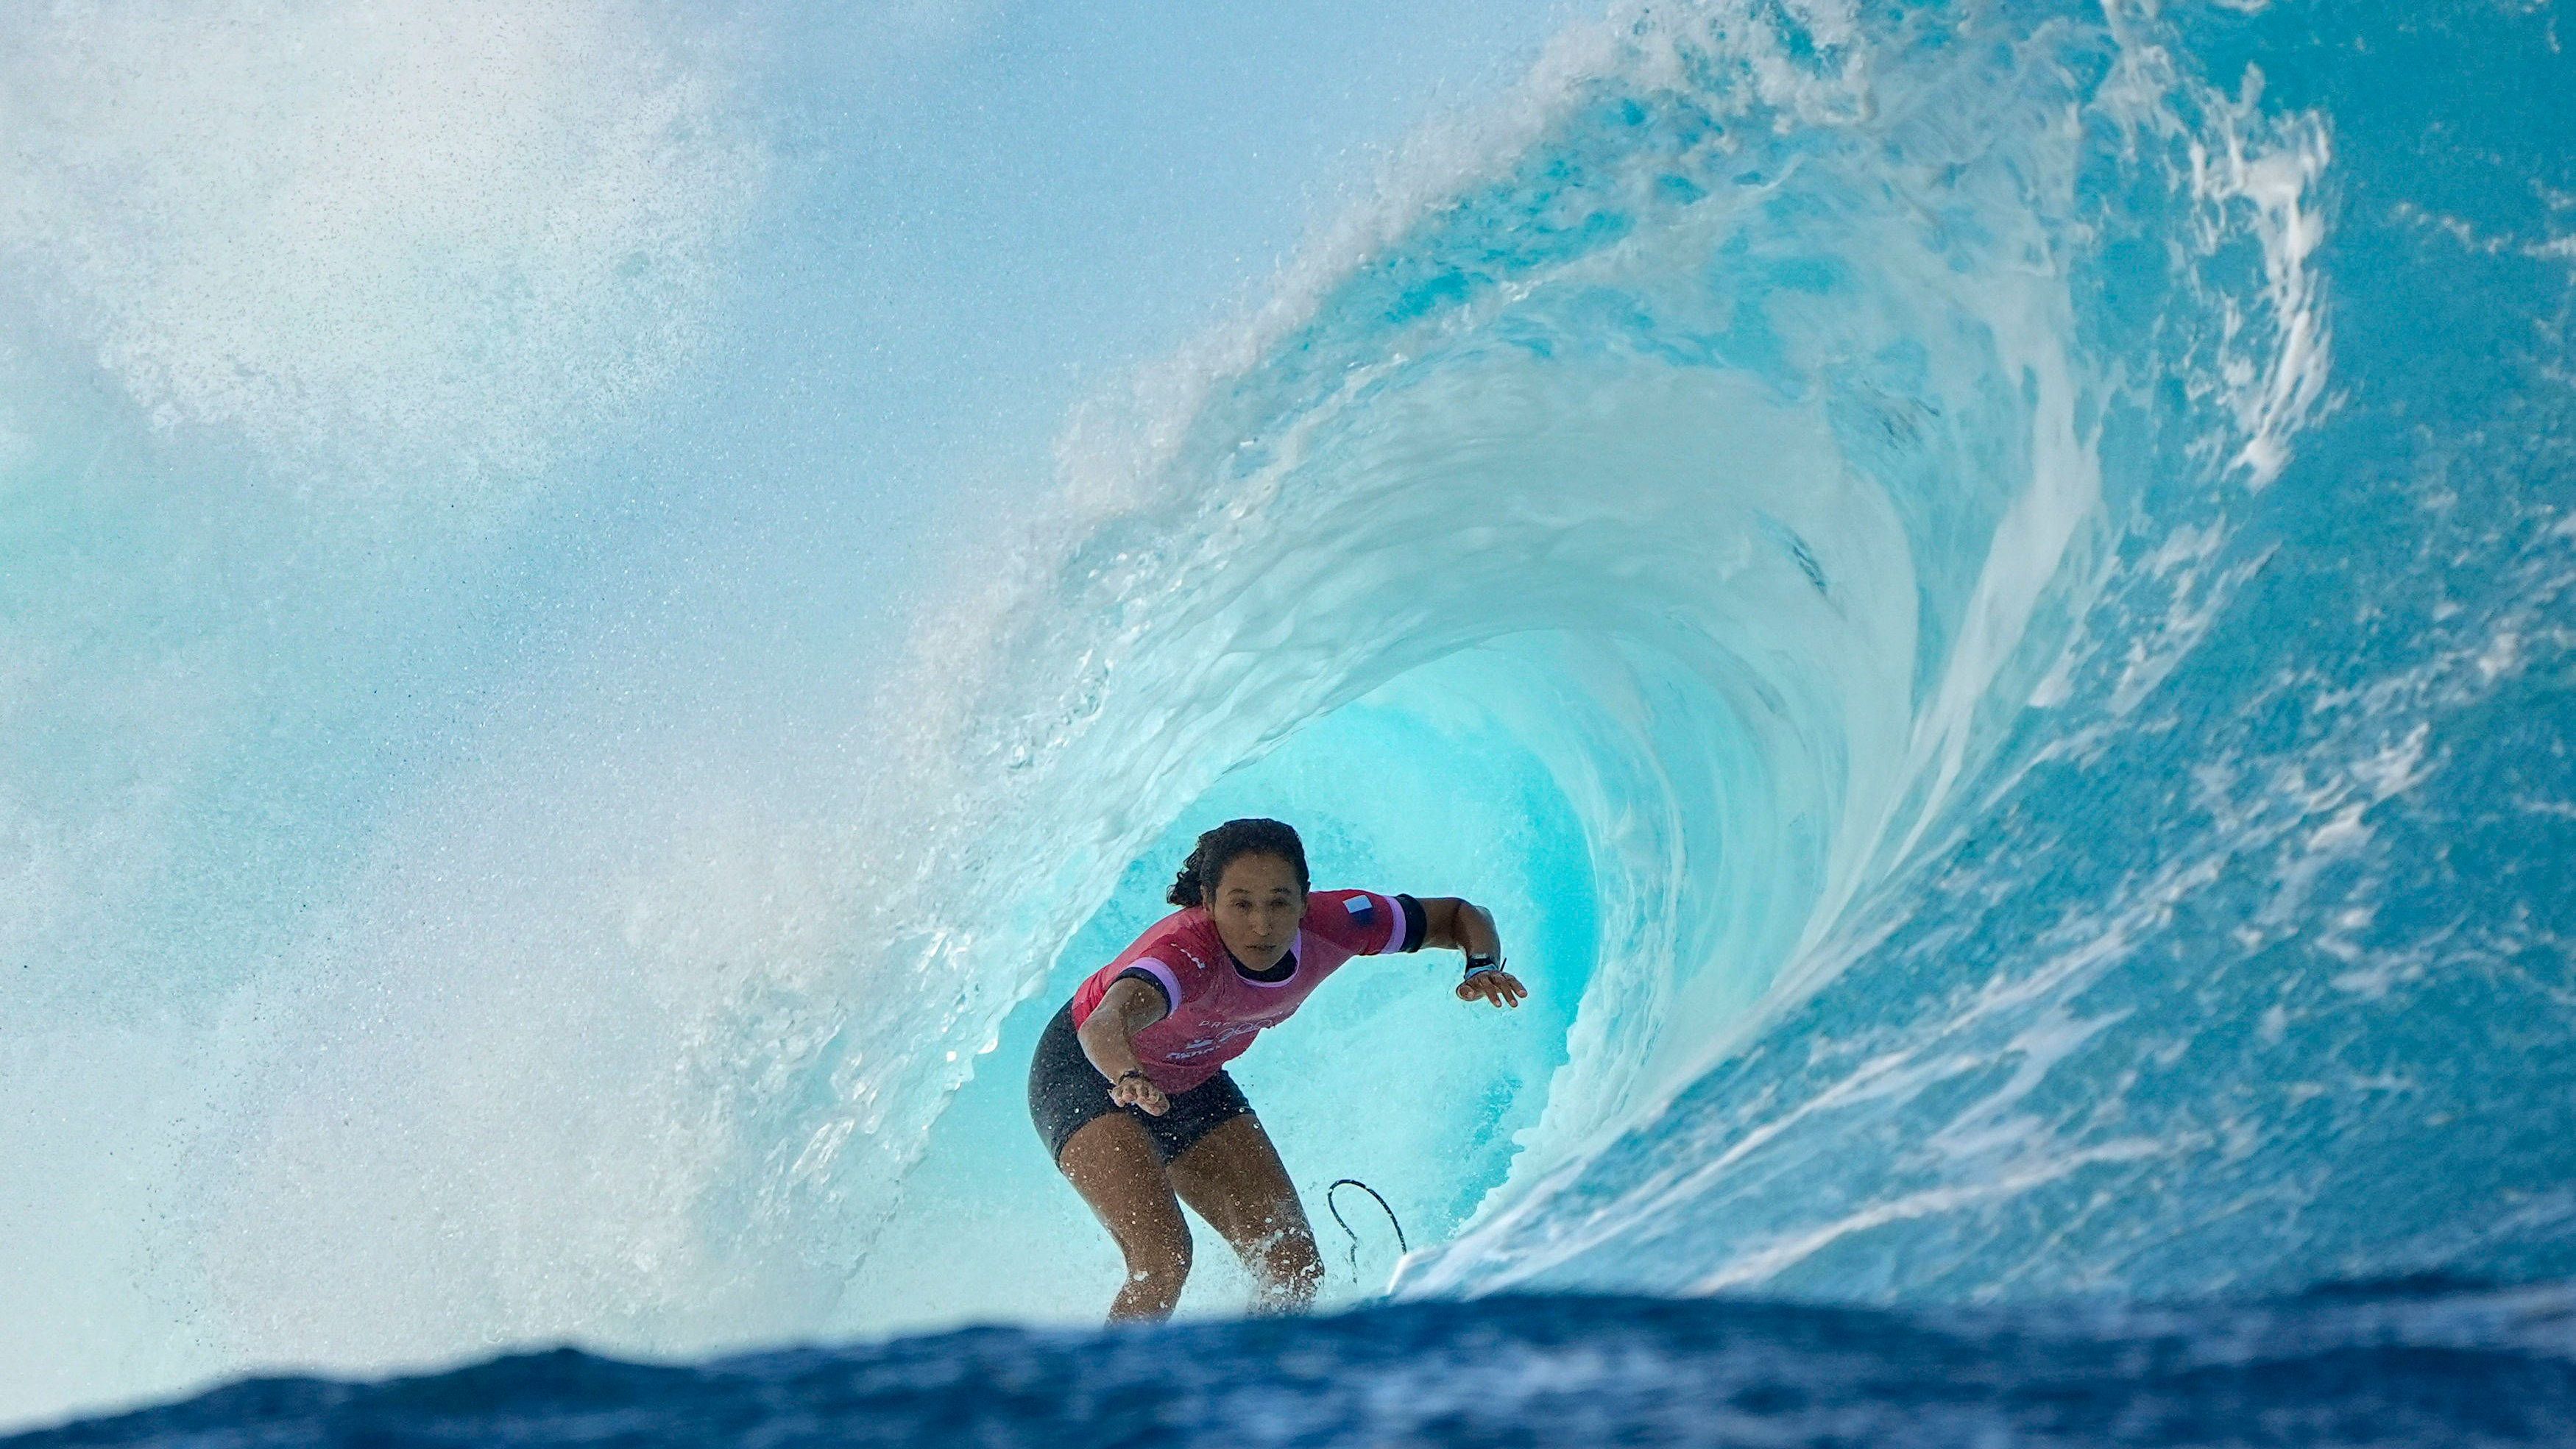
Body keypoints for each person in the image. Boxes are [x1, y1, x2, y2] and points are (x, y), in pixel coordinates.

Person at [1026, 816, 1527, 1321]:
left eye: (1279, 903)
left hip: (1192, 1078)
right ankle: (1106, 1394)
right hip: (1089, 1073)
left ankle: (1252, 1388)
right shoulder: (1184, 953)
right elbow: (1104, 1023)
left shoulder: (1340, 922)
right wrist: (1129, 1076)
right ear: (1209, 899)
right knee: (1162, 1258)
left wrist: (1482, 964)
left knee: (1293, 1266)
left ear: (1305, 901)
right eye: (1241, 904)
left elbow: (1460, 915)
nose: (1262, 926)